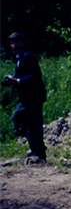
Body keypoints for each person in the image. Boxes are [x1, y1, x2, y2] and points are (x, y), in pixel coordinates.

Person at [5, 32, 47, 161]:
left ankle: (38, 152)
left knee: (29, 122)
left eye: (16, 42)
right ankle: (36, 149)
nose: (14, 45)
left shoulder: (28, 56)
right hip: (27, 98)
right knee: (27, 123)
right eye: (12, 43)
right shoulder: (21, 57)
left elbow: (34, 76)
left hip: (33, 98)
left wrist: (17, 81)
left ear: (22, 43)